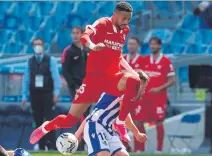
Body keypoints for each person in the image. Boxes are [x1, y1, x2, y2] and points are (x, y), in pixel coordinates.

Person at [30, 2, 145, 145]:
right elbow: (85, 36)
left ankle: (120, 122)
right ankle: (46, 127)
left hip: (112, 79)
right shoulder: (103, 24)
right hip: (93, 81)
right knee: (69, 120)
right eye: (124, 18)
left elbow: (118, 56)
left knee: (134, 80)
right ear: (115, 15)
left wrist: (132, 71)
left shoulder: (124, 30)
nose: (126, 22)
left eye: (129, 19)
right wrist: (92, 46)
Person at [60, 71, 148, 156]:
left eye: (143, 86)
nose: (141, 89)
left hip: (105, 128)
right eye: (141, 85)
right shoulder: (123, 90)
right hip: (96, 126)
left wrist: (136, 133)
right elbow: (94, 116)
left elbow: (124, 114)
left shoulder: (121, 91)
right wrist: (79, 133)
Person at [131, 37, 175, 153]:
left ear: (160, 46)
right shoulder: (144, 60)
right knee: (138, 121)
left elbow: (172, 80)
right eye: (151, 44)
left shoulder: (166, 61)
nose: (153, 46)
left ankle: (159, 149)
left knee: (159, 122)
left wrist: (159, 88)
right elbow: (137, 76)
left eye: (155, 44)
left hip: (159, 98)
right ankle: (140, 149)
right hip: (144, 97)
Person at [21, 38, 61, 151]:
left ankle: (52, 145)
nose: (37, 46)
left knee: (49, 120)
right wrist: (24, 95)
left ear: (43, 46)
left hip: (47, 93)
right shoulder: (30, 61)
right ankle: (41, 145)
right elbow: (26, 79)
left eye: (39, 44)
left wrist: (56, 93)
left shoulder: (50, 60)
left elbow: (56, 77)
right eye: (35, 45)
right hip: (35, 94)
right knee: (37, 121)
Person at [61, 26, 90, 150]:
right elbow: (65, 71)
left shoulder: (87, 50)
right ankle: (78, 143)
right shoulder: (69, 51)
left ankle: (85, 142)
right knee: (79, 115)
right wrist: (74, 86)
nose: (75, 35)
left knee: (87, 114)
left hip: (88, 87)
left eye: (77, 33)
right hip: (77, 88)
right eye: (73, 33)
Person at [123, 36, 144, 152]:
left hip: (137, 96)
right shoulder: (123, 59)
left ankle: (140, 148)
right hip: (123, 96)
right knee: (121, 121)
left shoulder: (143, 60)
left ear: (138, 46)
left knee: (138, 121)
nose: (131, 46)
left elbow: (145, 79)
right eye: (129, 44)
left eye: (133, 44)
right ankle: (125, 147)